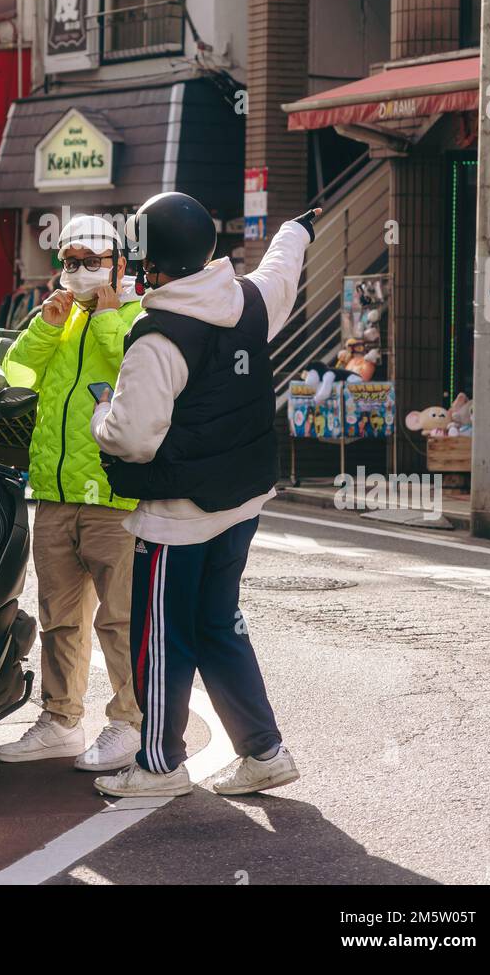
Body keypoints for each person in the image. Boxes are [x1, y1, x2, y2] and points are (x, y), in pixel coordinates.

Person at [88, 192, 321, 799]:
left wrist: (101, 414)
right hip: (242, 505)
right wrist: (295, 232)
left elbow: (133, 441)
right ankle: (264, 752)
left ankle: (161, 765)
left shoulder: (157, 336)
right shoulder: (246, 302)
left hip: (176, 517)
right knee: (220, 625)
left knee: (163, 637)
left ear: (150, 263)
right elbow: (278, 272)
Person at [0, 215, 144, 770]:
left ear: (119, 265)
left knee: (121, 618)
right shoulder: (57, 319)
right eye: (70, 262)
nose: (78, 272)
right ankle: (60, 720)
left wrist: (105, 317)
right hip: (55, 491)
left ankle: (129, 722)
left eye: (91, 262)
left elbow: (133, 374)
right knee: (58, 615)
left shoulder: (136, 315)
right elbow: (16, 377)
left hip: (114, 494)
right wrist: (43, 327)